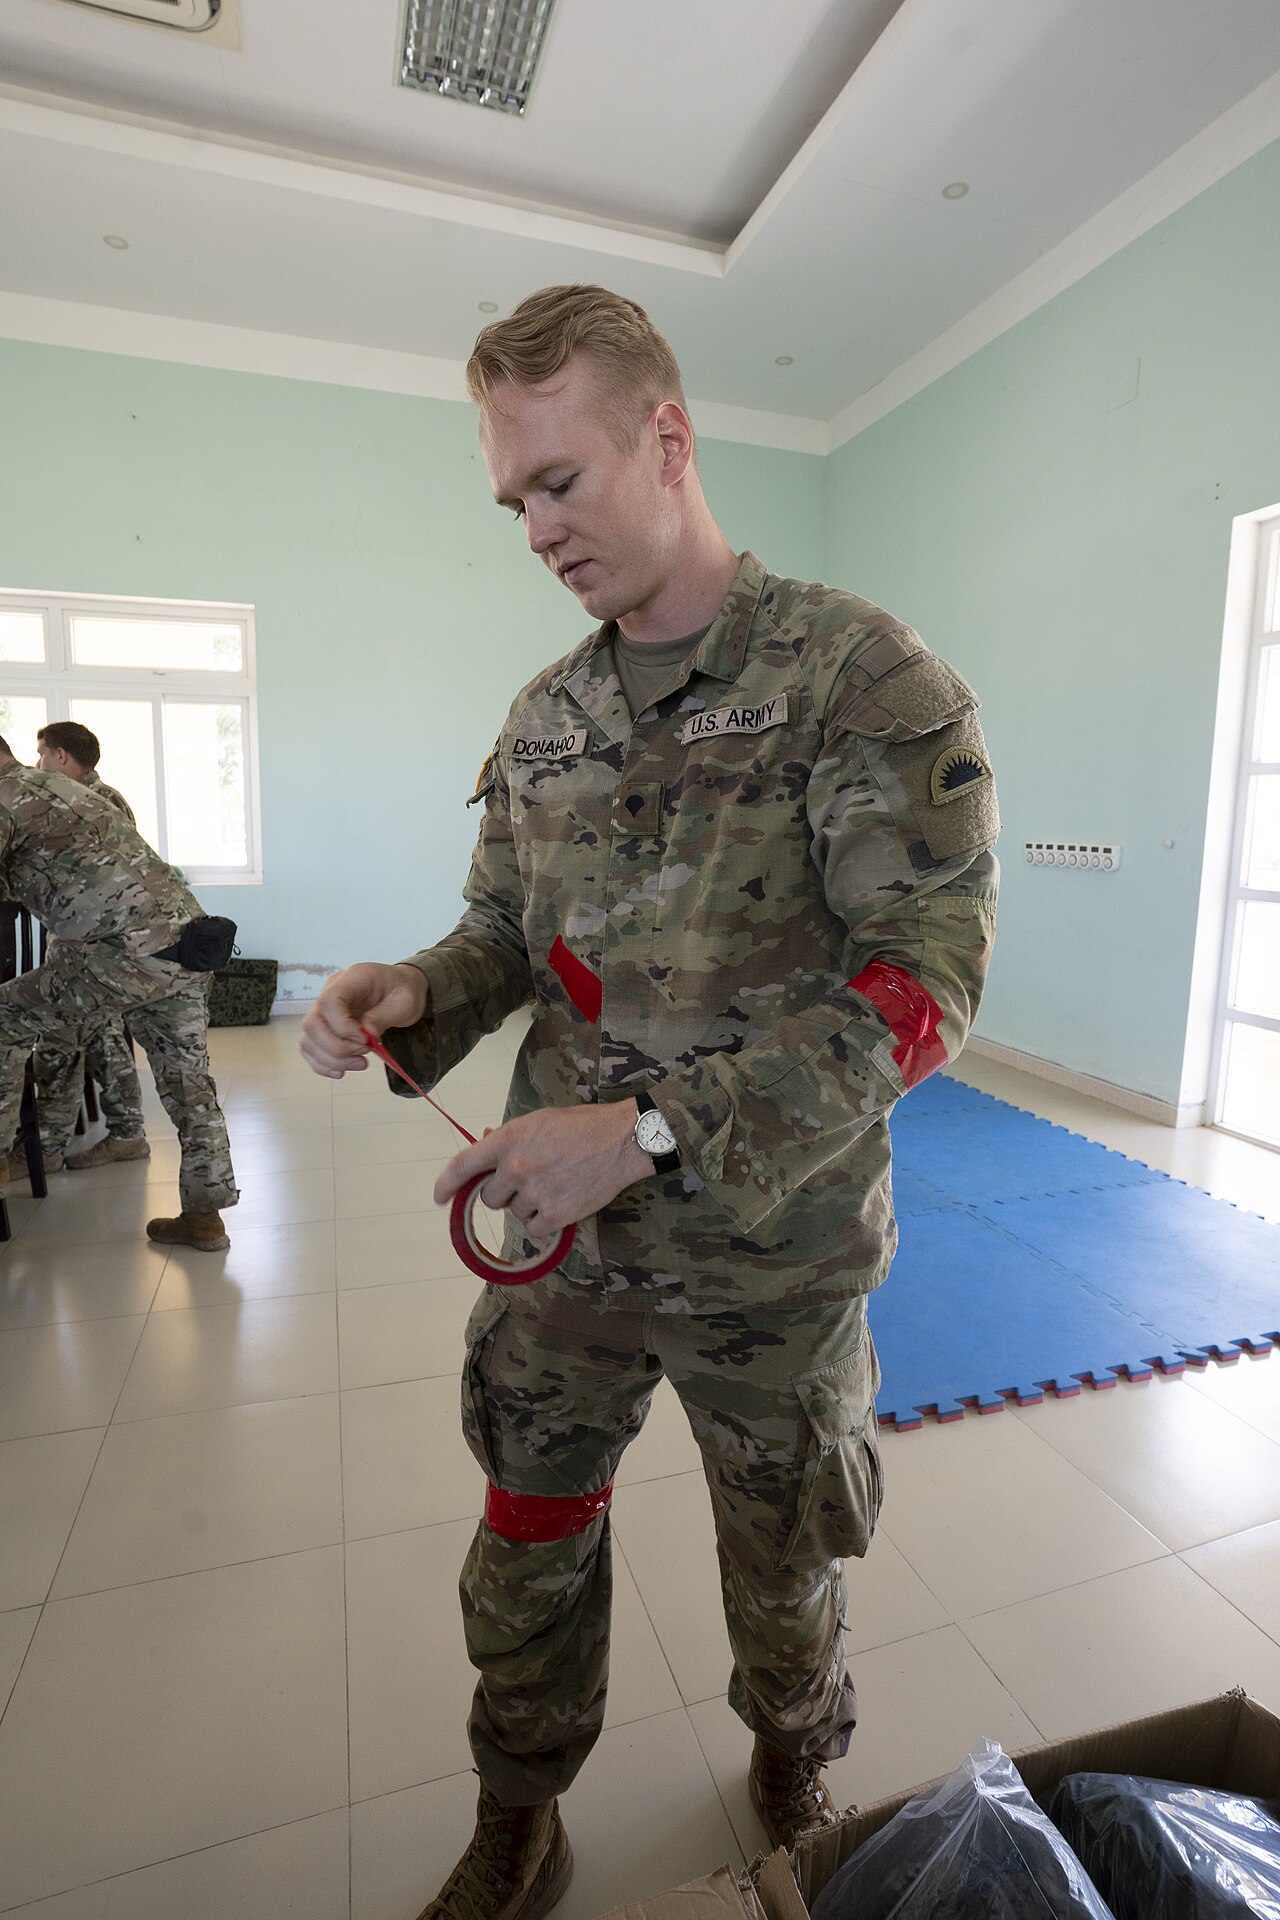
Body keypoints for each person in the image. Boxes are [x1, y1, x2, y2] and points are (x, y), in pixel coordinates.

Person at [300, 284, 999, 1920]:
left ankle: (791, 1759)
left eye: (562, 483)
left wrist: (650, 1131)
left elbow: (923, 988)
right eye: (513, 499)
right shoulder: (545, 718)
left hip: (774, 1255)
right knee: (528, 1535)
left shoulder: (863, 682)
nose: (535, 529)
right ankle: (518, 1806)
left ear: (666, 441)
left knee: (787, 1561)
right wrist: (413, 992)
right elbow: (497, 937)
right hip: (569, 1260)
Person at [0, 739, 238, 1250]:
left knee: (5, 1015)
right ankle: (205, 1219)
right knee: (188, 1084)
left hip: (121, 955)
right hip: (189, 946)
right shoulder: (64, 787)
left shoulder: (7, 798)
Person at [24, 720, 151, 1173]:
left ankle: (47, 1147)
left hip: (94, 944)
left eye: (41, 754)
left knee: (62, 1037)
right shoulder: (102, 798)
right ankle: (122, 1134)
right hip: (96, 943)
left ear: (62, 756)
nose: (36, 765)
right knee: (100, 1036)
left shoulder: (87, 803)